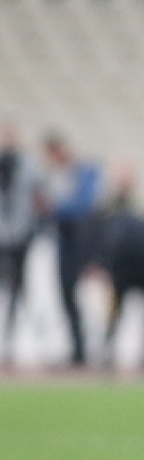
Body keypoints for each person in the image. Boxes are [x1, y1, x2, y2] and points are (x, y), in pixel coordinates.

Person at [93, 164, 144, 373]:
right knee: (114, 313)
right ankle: (108, 351)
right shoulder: (106, 210)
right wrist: (102, 267)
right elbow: (101, 242)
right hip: (120, 271)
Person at [42, 132, 102, 366]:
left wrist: (53, 208)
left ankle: (89, 348)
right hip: (66, 243)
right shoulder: (56, 177)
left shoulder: (84, 172)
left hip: (84, 243)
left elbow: (82, 207)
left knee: (85, 296)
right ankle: (78, 348)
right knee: (67, 296)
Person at [0, 124, 45, 367]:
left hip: (19, 238)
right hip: (4, 236)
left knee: (19, 290)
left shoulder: (27, 166)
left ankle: (18, 341)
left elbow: (40, 196)